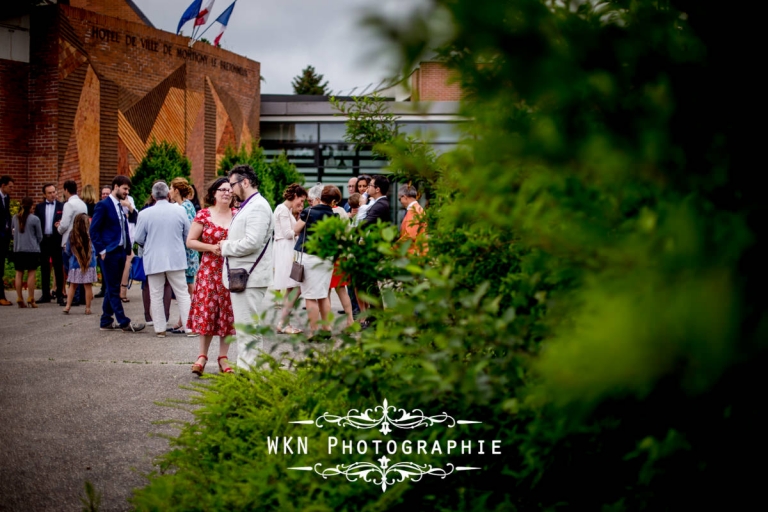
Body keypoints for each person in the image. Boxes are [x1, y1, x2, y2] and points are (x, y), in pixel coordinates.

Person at [219, 164, 274, 370]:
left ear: (245, 182)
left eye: (232, 184)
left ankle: (249, 374)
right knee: (245, 329)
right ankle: (248, 371)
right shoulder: (250, 205)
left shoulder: (258, 206)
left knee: (247, 329)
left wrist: (226, 246)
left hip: (249, 277)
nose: (230, 190)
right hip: (244, 276)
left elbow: (253, 242)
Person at [186, 177, 238, 375]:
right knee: (207, 312)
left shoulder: (238, 215)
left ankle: (223, 358)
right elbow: (190, 241)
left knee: (227, 313)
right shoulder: (204, 214)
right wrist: (211, 248)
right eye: (222, 189)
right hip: (209, 270)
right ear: (214, 193)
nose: (226, 192)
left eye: (229, 190)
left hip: (231, 270)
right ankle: (202, 356)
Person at [133, 181, 193, 338]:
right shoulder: (180, 211)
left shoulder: (144, 214)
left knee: (156, 293)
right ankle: (189, 327)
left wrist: (150, 243)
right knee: (182, 293)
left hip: (154, 258)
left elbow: (138, 238)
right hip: (176, 257)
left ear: (153, 196)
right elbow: (187, 234)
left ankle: (160, 328)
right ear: (168, 194)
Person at [90, 175, 145, 332]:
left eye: (128, 189)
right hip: (109, 252)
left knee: (111, 287)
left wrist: (129, 207)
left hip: (122, 250)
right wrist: (101, 249)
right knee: (114, 288)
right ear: (116, 187)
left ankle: (106, 320)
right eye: (125, 189)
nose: (127, 192)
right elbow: (94, 230)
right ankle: (124, 322)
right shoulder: (103, 205)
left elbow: (135, 220)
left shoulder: (122, 205)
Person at [294, 185, 340, 334]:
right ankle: (327, 328)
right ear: (332, 201)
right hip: (327, 258)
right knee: (323, 294)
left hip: (309, 256)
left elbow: (296, 229)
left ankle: (313, 331)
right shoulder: (335, 215)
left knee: (310, 296)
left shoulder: (309, 212)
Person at [273, 183, 307, 334]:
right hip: (285, 249)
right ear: (295, 196)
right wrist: (301, 227)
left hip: (287, 249)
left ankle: (284, 322)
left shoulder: (286, 210)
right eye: (301, 200)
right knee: (294, 287)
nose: (302, 203)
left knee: (292, 288)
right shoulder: (282, 209)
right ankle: (283, 322)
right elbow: (287, 233)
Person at [33, 183, 65, 305]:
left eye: (54, 192)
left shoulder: (62, 206)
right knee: (45, 268)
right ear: (44, 194)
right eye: (50, 193)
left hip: (56, 239)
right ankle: (45, 294)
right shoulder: (39, 207)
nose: (53, 195)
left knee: (58, 267)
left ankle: (60, 295)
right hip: (44, 240)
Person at [58, 180, 88, 307]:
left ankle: (74, 297)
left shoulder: (68, 205)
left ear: (66, 190)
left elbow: (64, 224)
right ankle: (80, 296)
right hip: (81, 239)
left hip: (69, 240)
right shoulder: (82, 204)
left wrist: (58, 228)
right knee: (80, 268)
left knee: (70, 269)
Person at [169, 177, 200, 297]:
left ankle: (190, 313)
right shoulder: (184, 205)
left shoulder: (185, 207)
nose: (169, 191)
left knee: (188, 287)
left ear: (176, 191)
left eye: (171, 188)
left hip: (187, 253)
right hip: (187, 252)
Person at [63, 213, 98, 314]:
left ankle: (67, 306)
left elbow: (68, 250)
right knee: (88, 286)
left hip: (75, 264)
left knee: (72, 286)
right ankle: (87, 308)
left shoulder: (72, 234)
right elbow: (94, 250)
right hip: (89, 264)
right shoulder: (90, 235)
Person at [11, 197, 42, 308]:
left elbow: (13, 232)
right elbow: (39, 236)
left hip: (18, 249)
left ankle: (19, 297)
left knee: (19, 274)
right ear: (31, 206)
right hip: (31, 250)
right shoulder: (35, 219)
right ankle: (31, 298)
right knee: (31, 274)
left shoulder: (15, 218)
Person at [397, 184, 428, 255]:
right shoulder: (418, 208)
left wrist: (395, 247)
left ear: (404, 197)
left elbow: (410, 235)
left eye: (399, 199)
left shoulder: (414, 211)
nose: (400, 202)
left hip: (414, 254)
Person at [118, 194, 137, 303]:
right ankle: (122, 291)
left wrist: (128, 205)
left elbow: (134, 216)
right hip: (119, 238)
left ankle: (122, 290)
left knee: (128, 260)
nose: (126, 191)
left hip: (129, 237)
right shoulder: (114, 201)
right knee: (127, 260)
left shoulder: (130, 199)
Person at [93, 186, 111, 299]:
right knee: (103, 268)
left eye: (107, 193)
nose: (104, 195)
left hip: (111, 244)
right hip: (102, 243)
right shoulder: (99, 206)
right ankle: (104, 289)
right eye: (103, 193)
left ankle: (108, 289)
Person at [0, 175, 15, 306]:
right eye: (10, 187)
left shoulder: (7, 198)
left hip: (4, 236)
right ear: (3, 186)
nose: (12, 189)